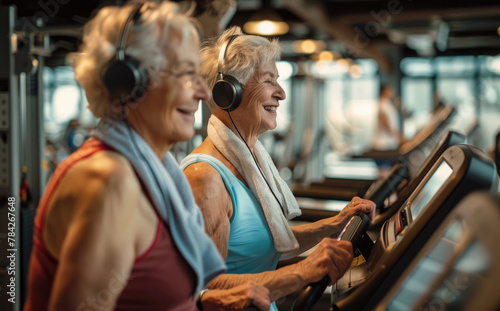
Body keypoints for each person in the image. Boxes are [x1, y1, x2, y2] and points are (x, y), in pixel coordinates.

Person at [23, 2, 270, 311]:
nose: (203, 93)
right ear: (129, 82)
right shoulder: (110, 182)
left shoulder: (155, 175)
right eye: (185, 74)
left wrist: (211, 301)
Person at [180, 26, 375, 309]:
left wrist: (334, 224)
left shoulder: (249, 161)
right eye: (269, 80)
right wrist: (302, 271)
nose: (281, 93)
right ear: (228, 92)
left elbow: (266, 239)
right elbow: (207, 288)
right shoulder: (206, 178)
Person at [372, 84, 406, 151]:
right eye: (390, 90)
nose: (392, 92)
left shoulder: (387, 104)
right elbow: (386, 123)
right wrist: (399, 137)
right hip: (383, 144)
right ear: (383, 91)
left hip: (389, 143)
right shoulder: (382, 104)